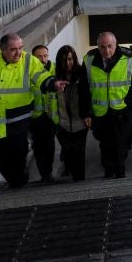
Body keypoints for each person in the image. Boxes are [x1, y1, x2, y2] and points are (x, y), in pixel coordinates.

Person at [0, 34, 64, 188]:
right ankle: (17, 183)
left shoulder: (29, 61)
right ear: (2, 50)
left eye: (20, 48)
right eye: (13, 49)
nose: (18, 53)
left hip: (18, 123)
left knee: (19, 155)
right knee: (1, 161)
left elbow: (41, 76)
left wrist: (53, 84)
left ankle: (19, 183)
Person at [85, 32, 132, 178]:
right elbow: (84, 89)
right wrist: (86, 112)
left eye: (110, 46)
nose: (106, 51)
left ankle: (120, 173)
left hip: (122, 110)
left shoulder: (129, 58)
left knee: (120, 143)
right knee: (104, 143)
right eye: (102, 47)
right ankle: (109, 172)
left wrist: (128, 104)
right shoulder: (89, 60)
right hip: (100, 111)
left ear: (116, 44)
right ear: (97, 46)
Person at [53, 45, 91, 181]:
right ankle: (72, 174)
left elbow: (87, 95)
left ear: (74, 59)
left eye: (70, 59)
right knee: (68, 151)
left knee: (79, 152)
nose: (68, 63)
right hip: (62, 123)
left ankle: (80, 181)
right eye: (64, 60)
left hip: (80, 121)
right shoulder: (55, 78)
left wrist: (87, 114)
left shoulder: (82, 74)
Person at [29, 45, 57, 183]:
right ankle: (45, 174)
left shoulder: (55, 69)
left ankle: (49, 172)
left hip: (52, 115)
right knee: (39, 147)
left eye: (45, 56)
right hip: (36, 116)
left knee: (50, 144)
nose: (43, 59)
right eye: (39, 56)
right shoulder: (28, 71)